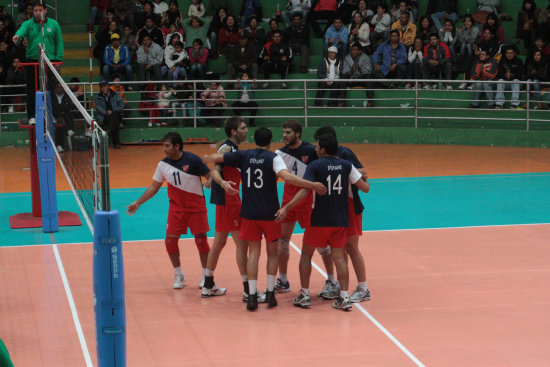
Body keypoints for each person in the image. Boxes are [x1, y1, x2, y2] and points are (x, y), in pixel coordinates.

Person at [202, 127, 327, 311]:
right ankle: (270, 294)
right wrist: (311, 184)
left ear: (255, 139)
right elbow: (287, 177)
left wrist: (206, 159)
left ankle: (251, 295)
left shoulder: (244, 155)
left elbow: (216, 159)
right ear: (270, 141)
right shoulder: (273, 158)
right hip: (269, 213)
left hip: (249, 212)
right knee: (272, 253)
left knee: (253, 253)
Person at [278, 133, 370, 311]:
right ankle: (344, 297)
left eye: (317, 146)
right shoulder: (347, 165)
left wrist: (287, 207)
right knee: (340, 258)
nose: (315, 148)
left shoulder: (315, 165)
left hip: (318, 219)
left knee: (306, 255)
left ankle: (304, 295)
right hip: (340, 220)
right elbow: (365, 188)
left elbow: (304, 191)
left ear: (323, 149)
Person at [127, 132, 227, 289]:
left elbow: (210, 175)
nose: (164, 149)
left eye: (167, 146)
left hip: (196, 208)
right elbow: (154, 187)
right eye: (164, 146)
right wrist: (138, 203)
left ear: (177, 146)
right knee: (170, 241)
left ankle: (205, 275)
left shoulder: (192, 160)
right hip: (176, 208)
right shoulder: (162, 165)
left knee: (201, 240)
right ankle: (179, 274)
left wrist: (209, 181)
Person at [311, 125, 371, 303]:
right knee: (340, 248)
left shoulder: (345, 155)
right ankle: (340, 285)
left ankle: (363, 288)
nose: (315, 147)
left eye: (318, 143)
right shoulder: (320, 158)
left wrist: (344, 172)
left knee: (351, 247)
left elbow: (364, 174)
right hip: (336, 207)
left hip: (351, 206)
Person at [201, 117, 251, 299]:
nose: (246, 130)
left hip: (226, 200)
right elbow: (215, 170)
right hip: (229, 199)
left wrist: (214, 180)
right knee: (241, 243)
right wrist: (222, 184)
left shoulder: (233, 148)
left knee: (219, 242)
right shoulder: (227, 147)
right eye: (243, 128)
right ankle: (248, 290)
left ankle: (208, 284)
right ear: (233, 131)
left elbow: (216, 170)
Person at [273, 120, 321, 294]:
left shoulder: (310, 151)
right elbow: (274, 178)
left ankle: (331, 280)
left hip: (309, 202)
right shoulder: (279, 153)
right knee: (282, 242)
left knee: (321, 244)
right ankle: (283, 280)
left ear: (298, 133)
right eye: (284, 132)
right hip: (288, 203)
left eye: (288, 132)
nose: (285, 135)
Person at [13, 0, 63, 125]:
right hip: (32, 61)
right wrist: (17, 36)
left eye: (40, 10)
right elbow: (21, 31)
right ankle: (32, 116)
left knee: (51, 89)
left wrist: (58, 61)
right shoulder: (28, 24)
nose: (37, 13)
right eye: (35, 10)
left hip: (50, 61)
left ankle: (53, 115)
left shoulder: (54, 24)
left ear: (45, 10)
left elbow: (59, 43)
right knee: (31, 89)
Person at [342, 42, 374, 107]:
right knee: (343, 76)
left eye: (354, 50)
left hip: (361, 80)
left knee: (368, 77)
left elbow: (369, 70)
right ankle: (342, 100)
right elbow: (344, 71)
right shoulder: (347, 58)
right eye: (352, 49)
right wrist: (351, 70)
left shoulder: (365, 57)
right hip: (351, 80)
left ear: (359, 51)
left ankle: (370, 100)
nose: (352, 51)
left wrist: (361, 69)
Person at [94, 80, 124, 148]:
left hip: (114, 114)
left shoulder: (115, 94)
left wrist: (112, 111)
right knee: (115, 123)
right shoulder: (97, 97)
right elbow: (98, 108)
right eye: (101, 87)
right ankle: (116, 143)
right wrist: (106, 113)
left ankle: (110, 130)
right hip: (104, 116)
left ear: (108, 86)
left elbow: (121, 104)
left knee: (114, 116)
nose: (103, 88)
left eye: (105, 86)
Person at [51, 82, 75, 152]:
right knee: (59, 121)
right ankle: (68, 129)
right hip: (55, 116)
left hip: (65, 115)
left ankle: (59, 145)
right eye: (58, 87)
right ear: (55, 89)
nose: (59, 89)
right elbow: (53, 107)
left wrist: (60, 106)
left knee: (63, 119)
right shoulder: (52, 96)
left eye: (61, 87)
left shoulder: (67, 95)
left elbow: (70, 106)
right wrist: (62, 106)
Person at [457, 15, 480, 90]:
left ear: (472, 22)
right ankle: (462, 57)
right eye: (465, 21)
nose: (467, 23)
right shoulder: (463, 29)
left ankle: (464, 58)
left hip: (474, 49)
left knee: (468, 45)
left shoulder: (475, 29)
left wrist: (469, 32)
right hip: (465, 50)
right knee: (464, 45)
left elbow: (472, 40)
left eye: (469, 21)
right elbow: (461, 41)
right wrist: (461, 32)